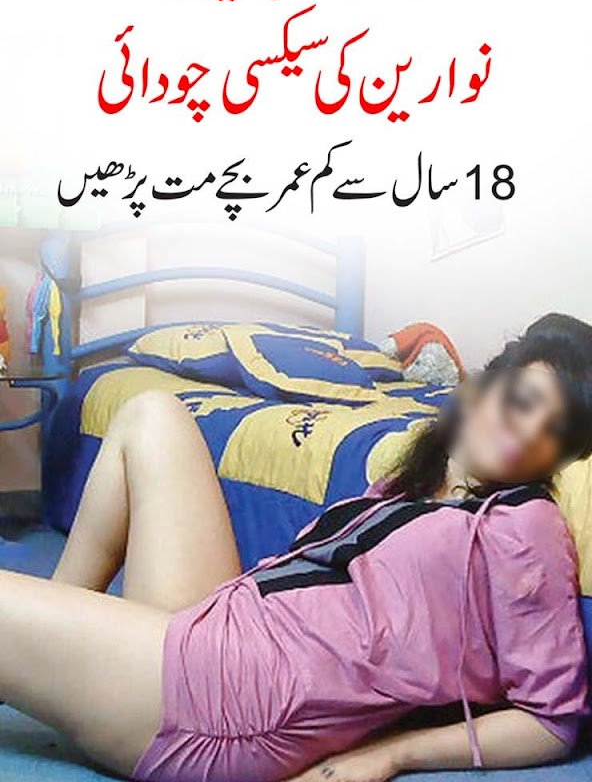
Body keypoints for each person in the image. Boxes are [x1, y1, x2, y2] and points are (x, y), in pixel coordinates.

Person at [1, 312, 591, 782]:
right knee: (151, 413)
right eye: (522, 402)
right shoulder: (416, 478)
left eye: (556, 433)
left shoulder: (526, 525)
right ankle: (55, 650)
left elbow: (553, 721)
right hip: (227, 623)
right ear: (486, 385)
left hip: (236, 700)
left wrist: (391, 754)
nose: (528, 435)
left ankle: (50, 655)